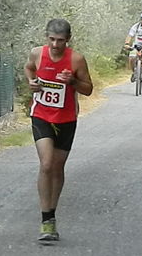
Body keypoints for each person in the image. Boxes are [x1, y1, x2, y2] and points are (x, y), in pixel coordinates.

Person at [24, 19, 93, 242]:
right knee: (46, 164)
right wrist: (32, 82)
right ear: (46, 38)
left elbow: (88, 89)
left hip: (66, 119)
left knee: (58, 166)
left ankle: (52, 211)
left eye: (60, 41)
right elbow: (28, 68)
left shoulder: (75, 59)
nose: (55, 45)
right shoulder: (36, 53)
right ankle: (46, 219)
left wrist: (72, 81)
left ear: (68, 39)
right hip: (41, 115)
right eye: (51, 40)